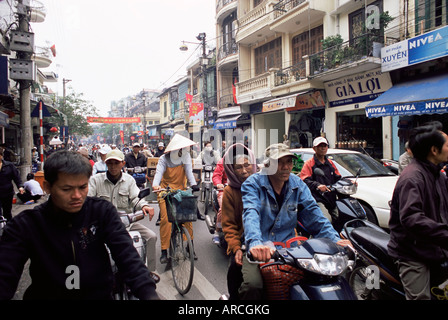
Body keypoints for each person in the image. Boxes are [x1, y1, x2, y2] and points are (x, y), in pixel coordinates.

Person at [0, 150, 159, 300]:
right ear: (47, 187)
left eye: (82, 187)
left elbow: (127, 256)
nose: (77, 196)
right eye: (66, 189)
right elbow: (5, 273)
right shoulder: (26, 224)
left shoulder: (102, 212)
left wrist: (149, 293)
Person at [240, 143, 350, 299]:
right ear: (268, 165)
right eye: (279, 162)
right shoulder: (253, 184)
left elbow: (315, 216)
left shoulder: (298, 185)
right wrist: (256, 244)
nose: (285, 167)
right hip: (260, 248)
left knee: (322, 279)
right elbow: (251, 214)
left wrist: (335, 240)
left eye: (289, 162)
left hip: (290, 249)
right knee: (253, 286)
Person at [388, 121, 448, 300]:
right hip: (413, 253)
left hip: (437, 247)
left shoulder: (439, 175)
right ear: (434, 150)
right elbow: (412, 219)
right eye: (446, 144)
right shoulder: (412, 178)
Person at [88, 149, 159, 283]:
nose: (113, 166)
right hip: (102, 227)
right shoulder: (95, 180)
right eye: (110, 163)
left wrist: (144, 206)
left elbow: (135, 198)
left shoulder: (129, 180)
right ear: (106, 164)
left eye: (116, 163)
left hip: (127, 223)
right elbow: (89, 200)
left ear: (123, 164)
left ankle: (149, 271)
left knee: (151, 237)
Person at [152, 134, 200, 264]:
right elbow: (158, 174)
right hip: (165, 191)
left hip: (181, 191)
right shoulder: (163, 159)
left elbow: (189, 173)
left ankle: (190, 247)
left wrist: (194, 185)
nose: (184, 150)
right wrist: (155, 185)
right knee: (165, 220)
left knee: (188, 218)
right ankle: (164, 250)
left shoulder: (186, 157)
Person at [221, 143, 257, 300]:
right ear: (231, 170)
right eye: (238, 167)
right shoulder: (230, 192)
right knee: (245, 281)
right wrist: (236, 248)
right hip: (243, 245)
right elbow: (228, 226)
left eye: (247, 165)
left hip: (269, 244)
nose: (244, 171)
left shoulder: (263, 184)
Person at [299, 136, 342, 223]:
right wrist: (317, 185)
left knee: (340, 217)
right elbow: (304, 180)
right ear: (314, 148)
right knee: (326, 220)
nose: (323, 148)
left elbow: (338, 177)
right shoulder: (309, 164)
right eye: (320, 146)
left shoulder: (330, 163)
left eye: (324, 146)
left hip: (331, 198)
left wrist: (349, 182)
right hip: (317, 199)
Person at [0, 148, 25, 220]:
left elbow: (16, 177)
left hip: (7, 192)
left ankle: (8, 228)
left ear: (1, 156)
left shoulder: (9, 166)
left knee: (7, 212)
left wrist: (20, 186)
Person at [211, 157, 227, 244]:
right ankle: (217, 230)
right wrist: (218, 184)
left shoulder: (245, 161)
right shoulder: (222, 162)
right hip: (225, 190)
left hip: (241, 190)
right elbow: (216, 175)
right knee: (224, 208)